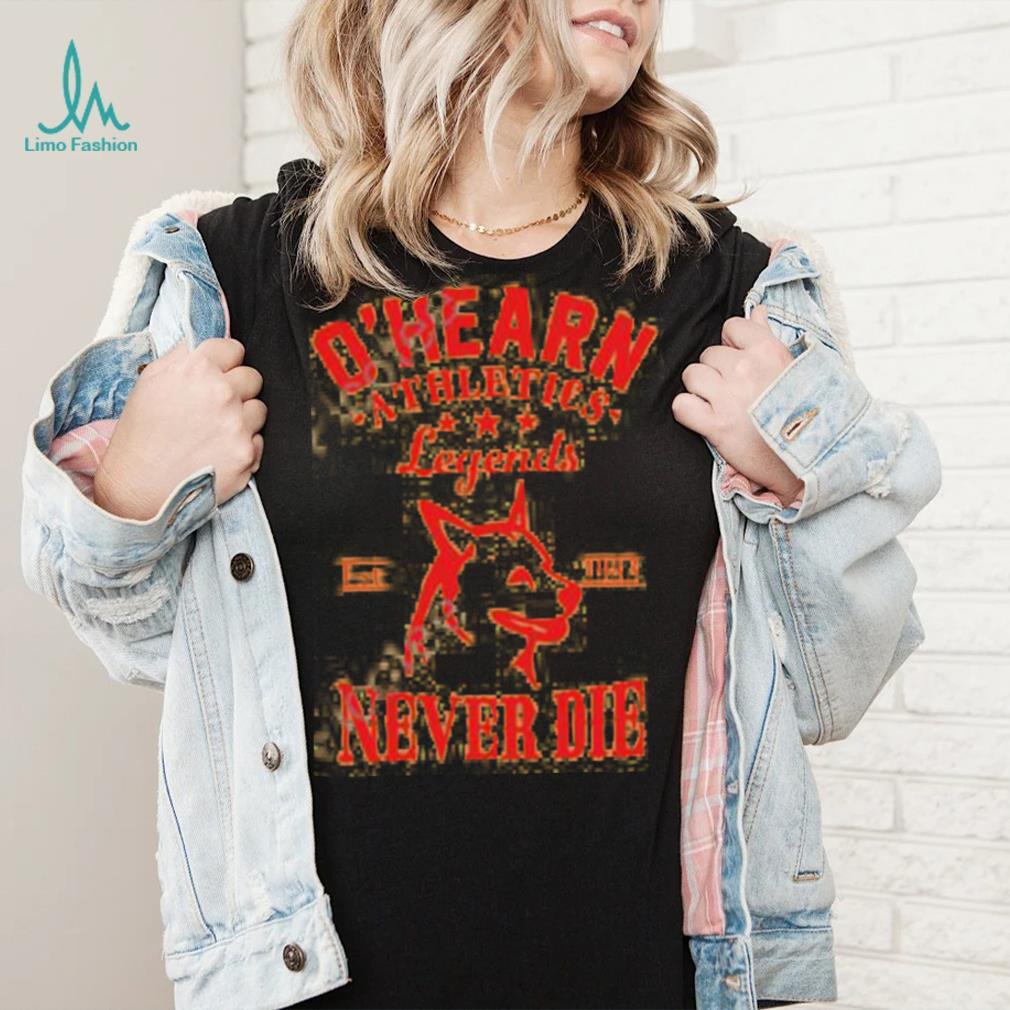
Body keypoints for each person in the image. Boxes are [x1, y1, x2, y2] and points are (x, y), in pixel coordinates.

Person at [21, 1, 941, 1008]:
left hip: (652, 976)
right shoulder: (228, 270)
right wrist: (133, 489)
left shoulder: (736, 284)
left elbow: (829, 691)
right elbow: (139, 643)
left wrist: (800, 468)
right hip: (313, 980)